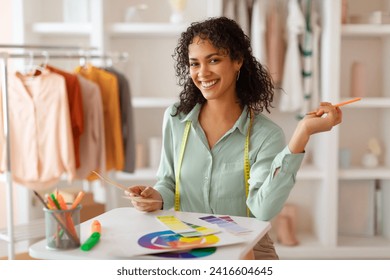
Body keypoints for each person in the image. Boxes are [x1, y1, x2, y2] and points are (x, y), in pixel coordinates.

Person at [126, 16, 342, 259]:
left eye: (214, 60)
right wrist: (154, 197)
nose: (202, 73)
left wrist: (302, 133)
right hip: (190, 246)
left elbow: (262, 210)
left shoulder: (264, 135)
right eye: (194, 64)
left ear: (237, 61)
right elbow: (168, 183)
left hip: (246, 249)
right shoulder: (176, 119)